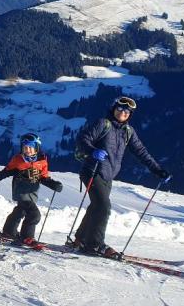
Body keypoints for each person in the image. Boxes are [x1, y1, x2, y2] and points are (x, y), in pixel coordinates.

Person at [72, 96, 170, 257]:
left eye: (127, 111)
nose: (123, 112)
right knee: (103, 207)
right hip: (92, 170)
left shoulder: (128, 132)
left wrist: (158, 170)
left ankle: (81, 239)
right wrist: (92, 151)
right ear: (114, 109)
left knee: (97, 206)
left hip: (107, 175)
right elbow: (82, 139)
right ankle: (95, 244)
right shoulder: (103, 124)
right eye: (120, 109)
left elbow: (141, 152)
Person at [0, 133, 62, 249]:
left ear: (36, 148)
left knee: (20, 211)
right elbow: (7, 171)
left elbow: (44, 177)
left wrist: (53, 184)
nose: (27, 150)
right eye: (25, 147)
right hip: (20, 192)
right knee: (34, 215)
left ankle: (9, 231)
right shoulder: (18, 160)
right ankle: (26, 237)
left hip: (33, 193)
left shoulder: (42, 161)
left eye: (30, 147)